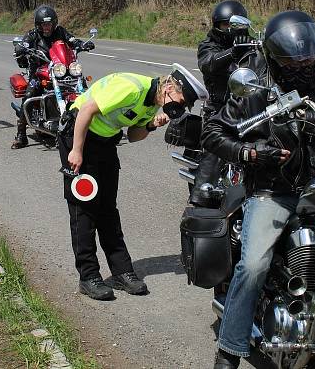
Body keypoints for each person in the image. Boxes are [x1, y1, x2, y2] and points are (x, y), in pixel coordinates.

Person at [200, 10, 315, 368]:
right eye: (295, 58)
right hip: (274, 190)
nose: (304, 63)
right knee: (254, 265)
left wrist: (312, 116)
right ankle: (229, 351)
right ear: (276, 56)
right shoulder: (256, 85)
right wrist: (250, 152)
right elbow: (214, 133)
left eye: (308, 55)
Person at [58, 65, 207, 300]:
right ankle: (88, 276)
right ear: (169, 86)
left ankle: (122, 271)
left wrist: (150, 125)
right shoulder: (131, 88)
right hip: (79, 136)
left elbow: (134, 137)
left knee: (108, 209)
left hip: (105, 144)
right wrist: (76, 151)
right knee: (84, 209)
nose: (179, 106)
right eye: (181, 100)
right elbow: (86, 110)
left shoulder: (153, 104)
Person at [194, 1, 265, 204]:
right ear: (217, 25)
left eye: (234, 26)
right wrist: (232, 52)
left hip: (251, 107)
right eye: (226, 26)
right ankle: (201, 198)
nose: (230, 30)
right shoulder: (209, 45)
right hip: (220, 108)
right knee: (214, 147)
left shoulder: (253, 46)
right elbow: (208, 63)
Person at [11, 4, 95, 149]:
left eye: (49, 24)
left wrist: (82, 44)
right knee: (30, 94)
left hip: (61, 69)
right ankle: (21, 134)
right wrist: (21, 48)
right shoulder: (32, 35)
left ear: (54, 23)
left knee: (82, 85)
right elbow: (23, 45)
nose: (47, 27)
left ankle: (92, 126)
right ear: (38, 25)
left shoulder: (60, 31)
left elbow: (72, 40)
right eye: (43, 24)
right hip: (39, 71)